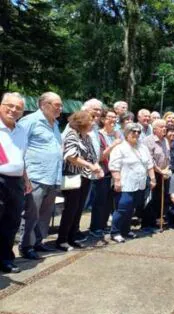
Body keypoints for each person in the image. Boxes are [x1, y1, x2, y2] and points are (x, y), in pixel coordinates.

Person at [18, 92, 63, 260]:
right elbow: (19, 147)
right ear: (44, 105)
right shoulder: (29, 121)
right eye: (56, 105)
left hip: (52, 176)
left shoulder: (56, 124)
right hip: (35, 176)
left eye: (60, 105)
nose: (60, 108)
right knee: (31, 213)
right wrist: (25, 176)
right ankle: (26, 246)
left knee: (45, 213)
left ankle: (38, 242)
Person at [57, 111, 104, 251]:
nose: (94, 123)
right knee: (70, 209)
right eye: (91, 120)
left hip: (85, 177)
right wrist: (89, 165)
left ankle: (72, 237)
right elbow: (71, 156)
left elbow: (91, 156)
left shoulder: (87, 137)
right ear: (82, 122)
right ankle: (62, 240)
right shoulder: (72, 134)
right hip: (73, 177)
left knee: (78, 209)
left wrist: (96, 167)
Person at [109, 123, 155, 243]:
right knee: (123, 208)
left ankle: (126, 230)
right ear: (126, 133)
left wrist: (153, 178)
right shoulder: (120, 148)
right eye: (133, 131)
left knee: (132, 208)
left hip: (140, 183)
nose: (136, 134)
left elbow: (149, 164)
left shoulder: (143, 147)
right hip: (125, 183)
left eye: (138, 132)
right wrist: (117, 181)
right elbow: (114, 166)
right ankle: (115, 232)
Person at [0, 93, 31, 273]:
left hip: (17, 181)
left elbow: (21, 157)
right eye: (9, 105)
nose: (13, 110)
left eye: (18, 108)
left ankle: (5, 259)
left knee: (12, 222)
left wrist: (26, 179)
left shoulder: (21, 131)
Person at [89, 110, 122, 238]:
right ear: (103, 120)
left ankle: (103, 226)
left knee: (109, 202)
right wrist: (113, 145)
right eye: (110, 118)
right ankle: (95, 227)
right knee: (99, 201)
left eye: (115, 118)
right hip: (102, 172)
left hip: (115, 173)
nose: (113, 120)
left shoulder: (117, 135)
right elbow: (100, 157)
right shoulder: (98, 135)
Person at [142, 119, 171, 233]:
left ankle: (155, 221)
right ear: (154, 129)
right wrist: (160, 171)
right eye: (161, 127)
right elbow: (149, 160)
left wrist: (166, 169)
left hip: (163, 173)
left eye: (165, 127)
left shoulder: (165, 141)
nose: (164, 129)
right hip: (152, 174)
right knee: (150, 199)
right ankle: (146, 224)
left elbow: (168, 157)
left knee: (160, 199)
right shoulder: (148, 141)